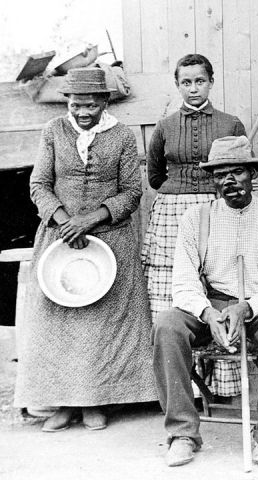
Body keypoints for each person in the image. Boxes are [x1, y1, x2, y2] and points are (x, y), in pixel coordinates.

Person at [15, 67, 156, 431]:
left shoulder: (122, 136)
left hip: (110, 237)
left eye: (90, 105)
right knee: (59, 321)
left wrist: (89, 220)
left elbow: (131, 192)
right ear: (68, 102)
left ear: (105, 102)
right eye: (76, 105)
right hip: (60, 238)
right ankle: (63, 404)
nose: (82, 112)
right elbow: (39, 185)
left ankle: (97, 402)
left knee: (100, 323)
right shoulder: (53, 132)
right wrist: (65, 221)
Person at [152, 136, 258, 467]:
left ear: (252, 174)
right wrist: (207, 312)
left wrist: (247, 307)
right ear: (212, 179)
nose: (229, 182)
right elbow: (184, 283)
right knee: (166, 325)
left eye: (237, 172)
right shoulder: (195, 218)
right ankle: (182, 433)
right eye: (220, 175)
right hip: (211, 307)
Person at [142, 53, 247, 398]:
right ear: (177, 85)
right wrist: (181, 195)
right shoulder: (165, 126)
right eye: (185, 82)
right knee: (176, 291)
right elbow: (156, 175)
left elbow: (239, 171)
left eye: (199, 81)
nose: (193, 88)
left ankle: (224, 384)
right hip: (172, 213)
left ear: (211, 82)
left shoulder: (230, 124)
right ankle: (185, 385)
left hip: (218, 209)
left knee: (218, 287)